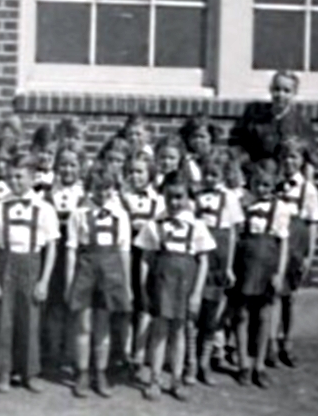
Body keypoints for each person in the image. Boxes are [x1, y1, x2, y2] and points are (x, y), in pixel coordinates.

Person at [135, 171, 215, 401]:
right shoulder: (154, 225)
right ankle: (155, 378)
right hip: (161, 283)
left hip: (185, 285)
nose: (174, 202)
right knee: (159, 330)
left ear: (188, 197)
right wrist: (143, 289)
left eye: (179, 197)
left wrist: (197, 293)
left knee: (180, 331)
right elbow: (145, 260)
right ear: (163, 196)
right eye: (169, 197)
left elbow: (203, 261)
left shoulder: (197, 226)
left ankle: (176, 379)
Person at [0, 153, 58, 393]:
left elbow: (51, 246)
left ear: (32, 177)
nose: (14, 181)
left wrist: (45, 281)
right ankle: (3, 370)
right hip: (5, 263)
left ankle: (29, 372)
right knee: (4, 319)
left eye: (19, 176)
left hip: (32, 264)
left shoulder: (44, 208)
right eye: (10, 176)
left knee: (30, 319)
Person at [65, 167, 131, 398]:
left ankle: (100, 372)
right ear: (89, 188)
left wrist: (127, 285)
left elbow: (124, 251)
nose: (103, 194)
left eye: (107, 189)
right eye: (98, 188)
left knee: (103, 325)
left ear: (113, 189)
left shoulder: (120, 215)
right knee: (83, 324)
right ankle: (82, 372)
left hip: (111, 273)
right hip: (85, 272)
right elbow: (72, 250)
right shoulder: (79, 214)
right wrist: (68, 282)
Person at [231, 160, 292, 389]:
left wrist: (279, 272)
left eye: (267, 185)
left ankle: (260, 365)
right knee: (242, 313)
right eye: (258, 184)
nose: (262, 189)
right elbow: (236, 235)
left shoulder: (280, 209)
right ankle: (243, 365)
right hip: (245, 262)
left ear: (274, 184)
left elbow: (283, 243)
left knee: (265, 314)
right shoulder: (241, 204)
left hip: (268, 262)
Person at [271, 137, 318, 368]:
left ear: (302, 161)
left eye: (294, 157)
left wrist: (309, 254)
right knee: (271, 293)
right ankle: (269, 341)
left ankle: (287, 340)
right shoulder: (274, 184)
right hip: (275, 244)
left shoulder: (308, 190)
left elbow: (312, 223)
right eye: (285, 157)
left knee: (289, 297)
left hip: (296, 246)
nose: (289, 162)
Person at [194, 150, 243, 385]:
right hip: (197, 257)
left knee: (212, 314)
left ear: (223, 176)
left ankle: (205, 362)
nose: (210, 179)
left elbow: (232, 234)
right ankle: (190, 362)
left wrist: (230, 267)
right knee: (194, 311)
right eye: (207, 174)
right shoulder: (195, 196)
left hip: (219, 259)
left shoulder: (230, 198)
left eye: (215, 175)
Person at [118, 152, 163, 379]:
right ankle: (124, 353)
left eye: (140, 172)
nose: (135, 176)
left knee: (145, 303)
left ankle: (139, 352)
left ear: (150, 174)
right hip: (126, 254)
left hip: (149, 256)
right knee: (127, 302)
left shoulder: (158, 200)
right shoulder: (121, 198)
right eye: (132, 172)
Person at [43, 140, 85, 377]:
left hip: (79, 256)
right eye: (63, 165)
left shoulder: (85, 193)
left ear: (81, 167)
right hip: (55, 255)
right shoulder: (48, 192)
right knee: (55, 306)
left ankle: (72, 355)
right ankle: (53, 353)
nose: (67, 170)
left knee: (76, 306)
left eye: (73, 165)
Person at [230, 70, 317, 175]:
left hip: (287, 178)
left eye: (286, 91)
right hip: (258, 176)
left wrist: (307, 183)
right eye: (277, 89)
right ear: (270, 89)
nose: (280, 95)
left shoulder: (301, 122)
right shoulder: (256, 118)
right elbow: (242, 148)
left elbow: (309, 158)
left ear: (294, 93)